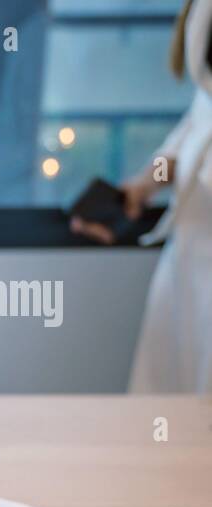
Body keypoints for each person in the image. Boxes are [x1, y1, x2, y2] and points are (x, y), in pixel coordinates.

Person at [71, 0, 212, 393]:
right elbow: (178, 154)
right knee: (172, 392)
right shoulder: (206, 98)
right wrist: (138, 190)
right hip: (188, 261)